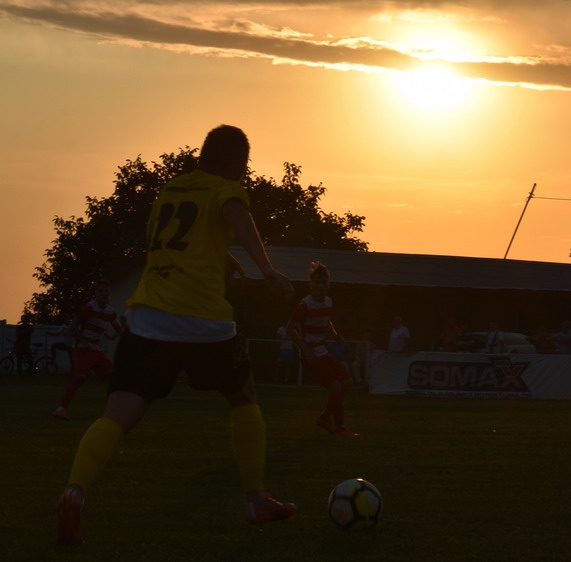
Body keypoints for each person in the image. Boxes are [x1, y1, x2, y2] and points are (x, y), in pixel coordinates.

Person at [55, 125, 297, 547]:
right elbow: (236, 215)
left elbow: (178, 241)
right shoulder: (226, 189)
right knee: (243, 395)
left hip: (148, 316)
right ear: (236, 162)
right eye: (243, 166)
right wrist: (266, 268)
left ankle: (74, 492)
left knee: (118, 413)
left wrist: (225, 259)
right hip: (201, 319)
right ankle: (256, 499)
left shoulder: (170, 191)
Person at [286, 261, 359, 437]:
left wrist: (335, 334)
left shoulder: (328, 302)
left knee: (347, 383)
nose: (320, 286)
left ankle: (325, 418)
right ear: (311, 285)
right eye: (317, 282)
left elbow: (327, 322)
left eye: (324, 282)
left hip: (323, 351)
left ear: (328, 284)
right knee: (335, 387)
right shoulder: (304, 305)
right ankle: (339, 427)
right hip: (312, 355)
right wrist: (305, 349)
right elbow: (289, 329)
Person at [52, 280, 125, 420]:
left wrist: (130, 341)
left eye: (106, 291)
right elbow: (74, 326)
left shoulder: (110, 311)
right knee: (80, 378)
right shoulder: (89, 308)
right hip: (83, 348)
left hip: (95, 349)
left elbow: (118, 329)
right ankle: (61, 409)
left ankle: (115, 410)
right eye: (101, 291)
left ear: (109, 293)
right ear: (96, 293)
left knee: (113, 376)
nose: (104, 294)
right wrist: (84, 341)